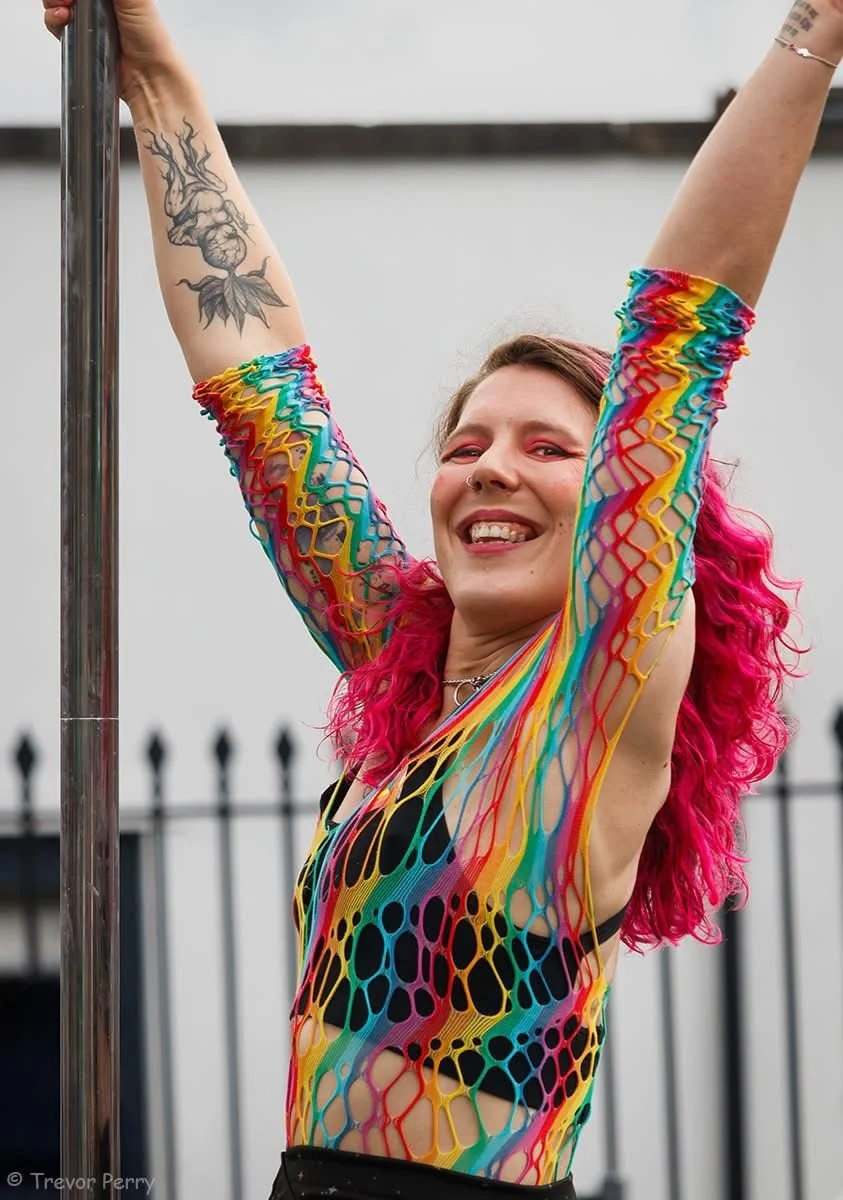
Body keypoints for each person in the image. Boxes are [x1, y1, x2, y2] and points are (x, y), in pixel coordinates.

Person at [44, 0, 837, 1195]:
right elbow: (265, 396)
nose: (492, 468)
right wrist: (152, 73)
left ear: (622, 500)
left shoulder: (591, 700)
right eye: (466, 443)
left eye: (548, 447)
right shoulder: (413, 674)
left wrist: (817, 28)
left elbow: (678, 337)